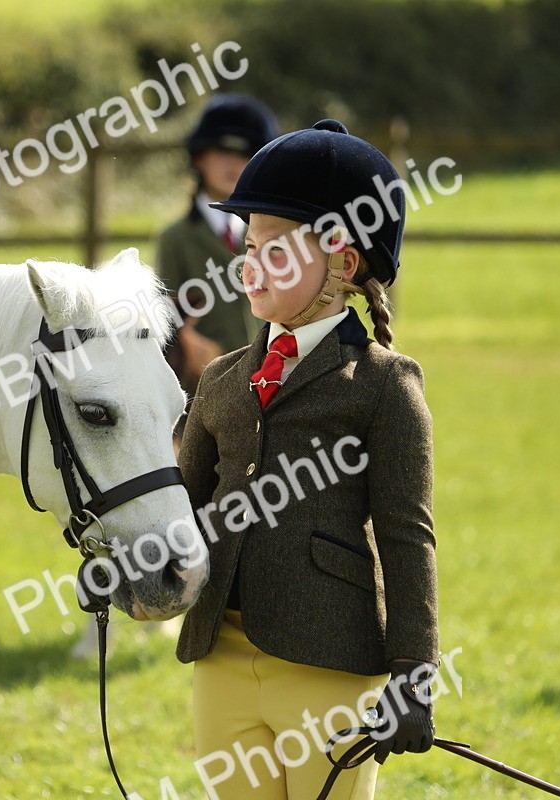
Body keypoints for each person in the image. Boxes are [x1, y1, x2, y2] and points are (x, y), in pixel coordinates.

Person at [175, 119, 439, 799]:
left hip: (331, 659)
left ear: (343, 265)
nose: (251, 266)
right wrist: (125, 568)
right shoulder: (221, 380)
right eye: (250, 246)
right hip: (221, 661)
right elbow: (182, 508)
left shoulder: (385, 384)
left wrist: (414, 670)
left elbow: (407, 535)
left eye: (276, 252)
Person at [156, 93, 280, 407]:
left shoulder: (275, 237)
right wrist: (189, 345)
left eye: (245, 155)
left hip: (271, 382)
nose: (232, 163)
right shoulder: (175, 238)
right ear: (199, 158)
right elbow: (168, 317)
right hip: (202, 389)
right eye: (221, 152)